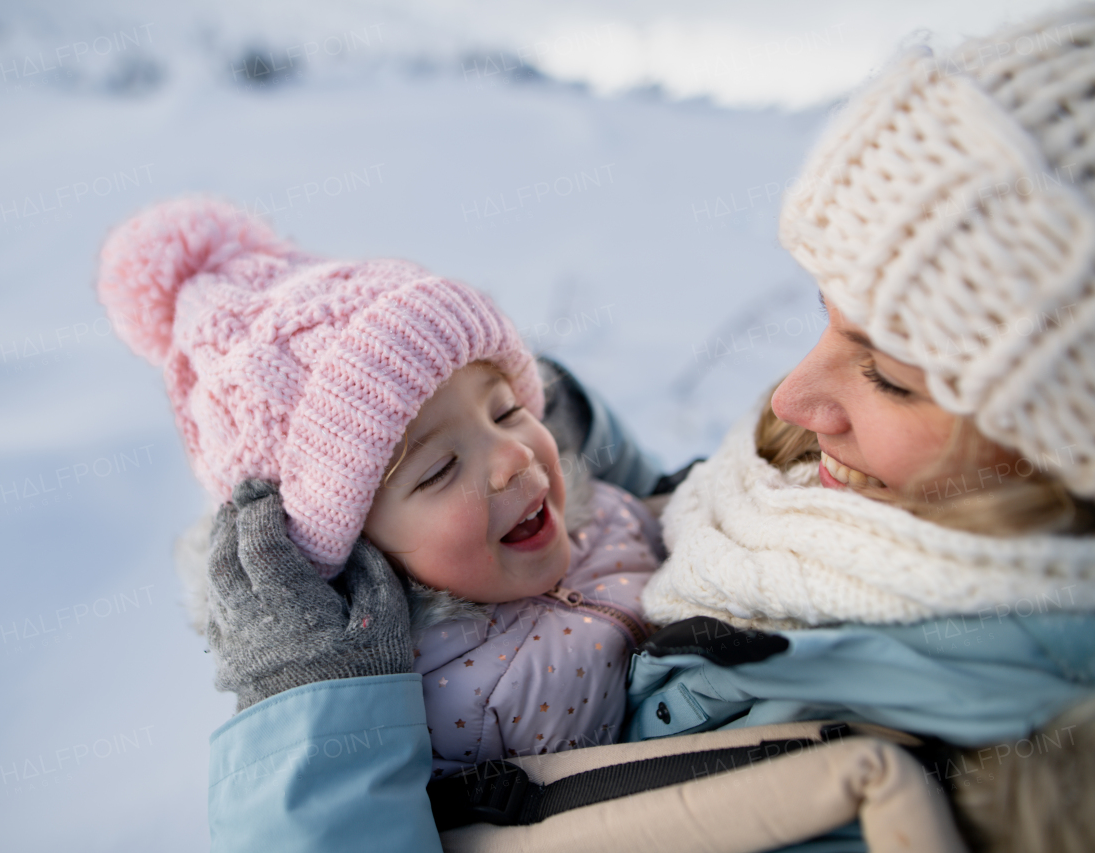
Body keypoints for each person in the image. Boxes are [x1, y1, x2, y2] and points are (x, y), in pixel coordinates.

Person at [163, 5, 1095, 852]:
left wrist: (314, 726)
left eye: (888, 376)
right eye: (823, 317)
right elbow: (674, 587)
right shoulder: (834, 497)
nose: (788, 401)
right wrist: (604, 459)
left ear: (1060, 446)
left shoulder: (998, 773)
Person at [93, 196, 666, 834]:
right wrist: (312, 709)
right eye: (439, 469)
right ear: (358, 550)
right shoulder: (424, 716)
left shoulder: (605, 510)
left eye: (506, 410)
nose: (511, 456)